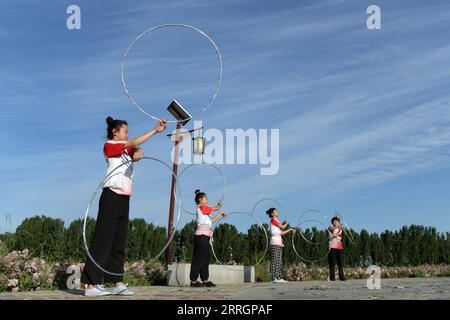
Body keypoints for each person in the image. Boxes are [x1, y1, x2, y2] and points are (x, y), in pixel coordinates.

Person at [81, 116, 167, 297]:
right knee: (103, 238)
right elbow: (133, 143)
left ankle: (117, 282)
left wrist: (140, 151)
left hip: (124, 197)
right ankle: (90, 284)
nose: (128, 134)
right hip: (110, 195)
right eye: (125, 131)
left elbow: (136, 148)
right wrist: (154, 131)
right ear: (115, 132)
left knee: (119, 240)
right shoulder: (110, 145)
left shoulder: (126, 149)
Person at [189, 190, 228, 288]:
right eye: (206, 199)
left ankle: (205, 280)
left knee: (206, 258)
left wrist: (220, 214)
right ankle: (193, 281)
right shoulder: (202, 207)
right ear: (200, 200)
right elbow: (216, 208)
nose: (207, 200)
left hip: (206, 236)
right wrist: (219, 205)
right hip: (201, 236)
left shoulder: (206, 211)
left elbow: (212, 221)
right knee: (198, 258)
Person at [266, 208, 295, 283]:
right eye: (275, 211)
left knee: (279, 261)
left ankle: (278, 277)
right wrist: (286, 223)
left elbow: (281, 232)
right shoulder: (273, 220)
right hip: (274, 242)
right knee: (274, 260)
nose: (277, 212)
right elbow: (283, 227)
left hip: (279, 242)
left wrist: (290, 229)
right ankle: (274, 277)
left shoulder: (277, 221)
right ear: (272, 214)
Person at [327, 216, 346, 281]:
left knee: (340, 264)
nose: (335, 222)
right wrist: (337, 228)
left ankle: (342, 277)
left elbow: (337, 234)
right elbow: (331, 235)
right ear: (332, 223)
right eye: (334, 221)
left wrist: (334, 234)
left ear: (338, 222)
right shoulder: (330, 228)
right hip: (332, 247)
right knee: (332, 264)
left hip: (339, 248)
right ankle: (332, 278)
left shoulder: (340, 229)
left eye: (337, 221)